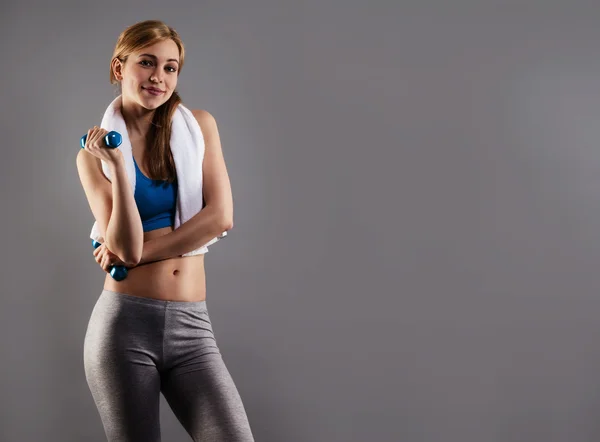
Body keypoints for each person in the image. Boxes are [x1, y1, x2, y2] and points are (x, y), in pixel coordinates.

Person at [76, 20, 255, 441]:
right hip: (123, 329)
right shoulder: (92, 157)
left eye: (171, 67)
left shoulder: (200, 127)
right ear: (120, 69)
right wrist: (119, 168)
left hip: (194, 327)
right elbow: (124, 244)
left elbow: (220, 218)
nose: (159, 77)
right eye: (147, 63)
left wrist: (138, 253)